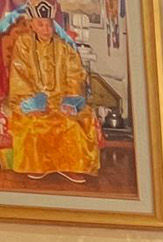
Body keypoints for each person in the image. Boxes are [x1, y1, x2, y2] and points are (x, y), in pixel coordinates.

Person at [5, 1, 100, 182]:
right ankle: (40, 165)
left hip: (61, 99)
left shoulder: (64, 47)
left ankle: (71, 166)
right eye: (40, 24)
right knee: (35, 121)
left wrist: (70, 101)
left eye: (48, 25)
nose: (45, 29)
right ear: (32, 25)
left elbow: (75, 74)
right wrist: (32, 103)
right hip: (31, 99)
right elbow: (20, 75)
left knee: (77, 121)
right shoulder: (23, 44)